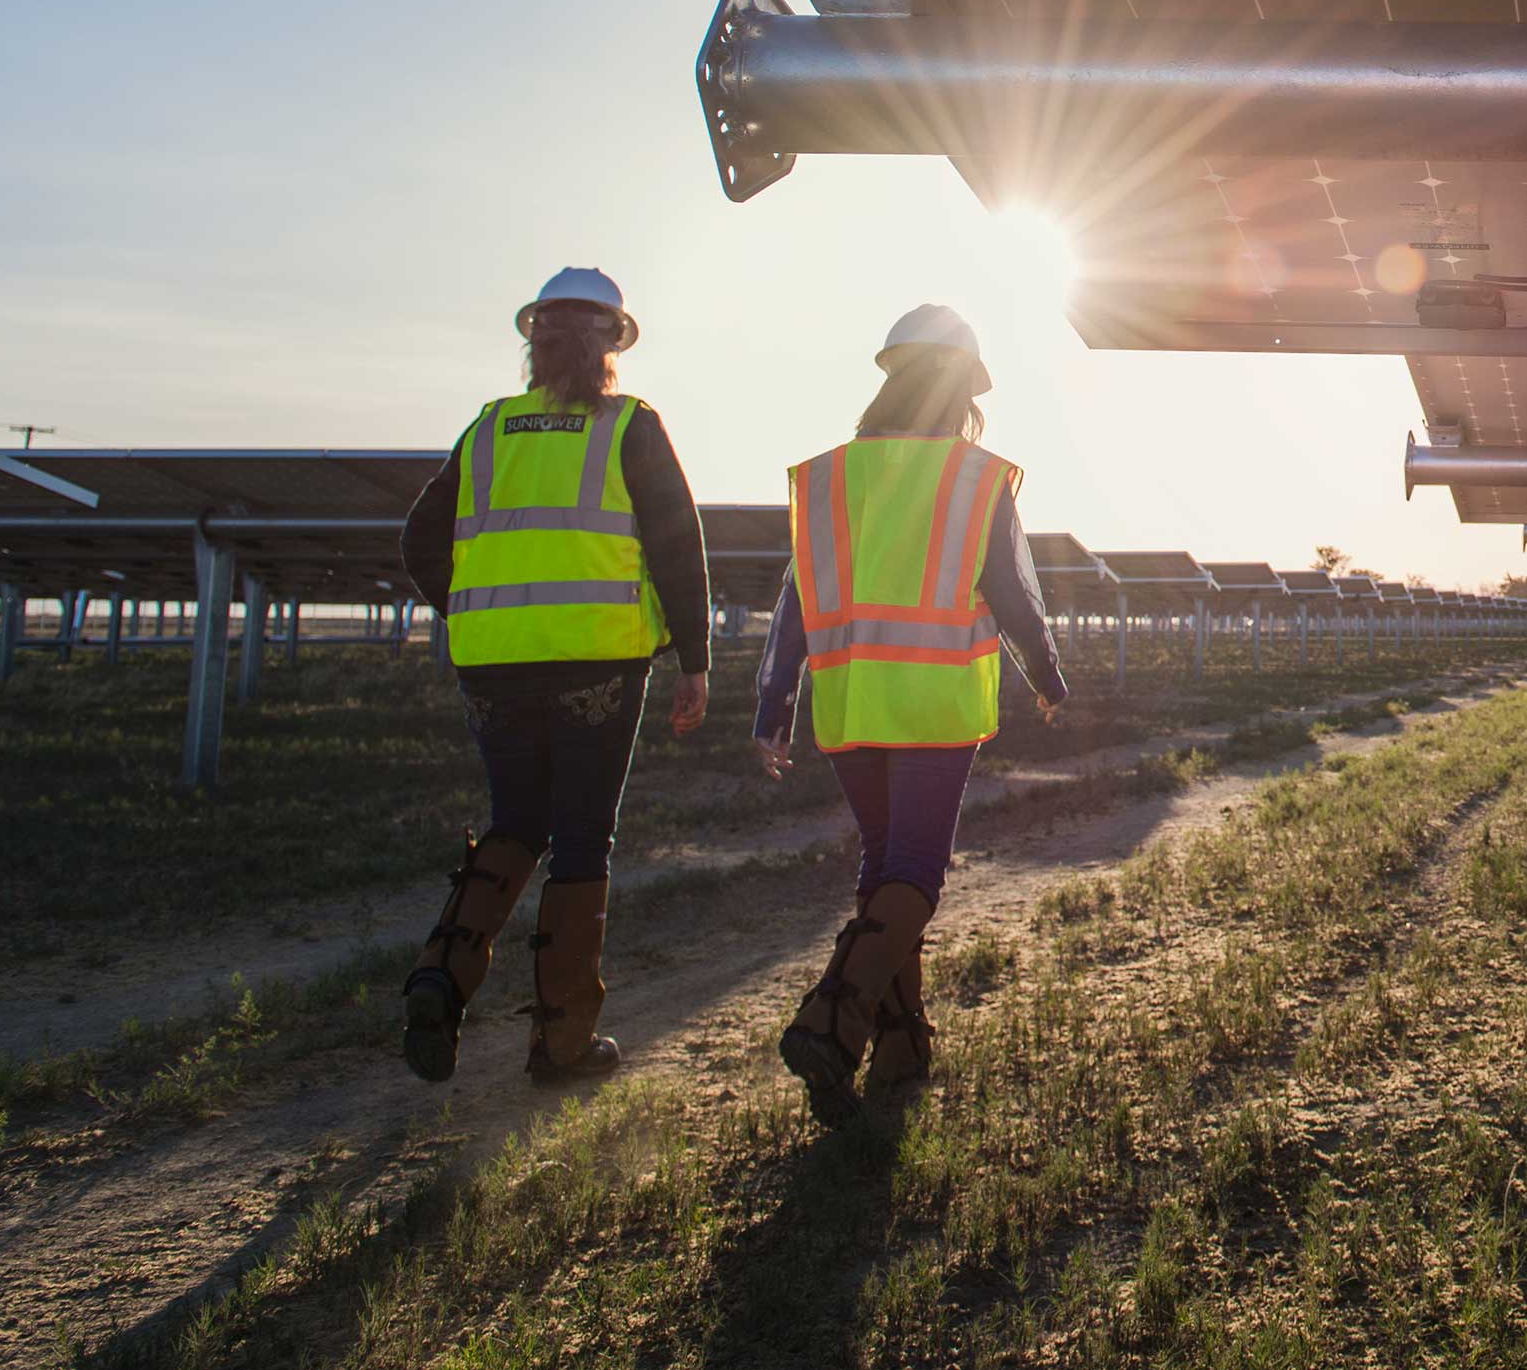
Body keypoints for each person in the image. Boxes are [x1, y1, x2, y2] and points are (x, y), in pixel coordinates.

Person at [396, 266, 713, 1087]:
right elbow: (679, 545)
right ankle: (564, 1044)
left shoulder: (488, 430)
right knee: (579, 836)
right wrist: (695, 658)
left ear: (534, 341)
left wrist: (471, 610)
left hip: (494, 665)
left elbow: (417, 540)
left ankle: (440, 976)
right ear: (611, 344)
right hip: (599, 663)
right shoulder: (629, 427)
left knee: (516, 822)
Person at [756, 303, 1069, 1126]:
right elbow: (1011, 591)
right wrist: (1048, 676)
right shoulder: (974, 478)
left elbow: (796, 599)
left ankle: (900, 1047)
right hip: (932, 703)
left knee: (883, 864)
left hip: (852, 701)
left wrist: (773, 701)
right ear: (967, 387)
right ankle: (831, 1018)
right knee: (916, 873)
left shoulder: (831, 477)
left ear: (890, 378)